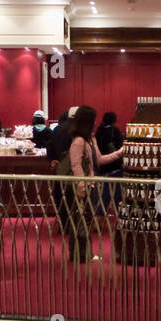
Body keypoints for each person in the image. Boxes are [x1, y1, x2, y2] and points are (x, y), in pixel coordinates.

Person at [58, 105, 123, 261]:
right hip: (83, 186)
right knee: (81, 220)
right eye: (93, 119)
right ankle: (80, 253)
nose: (95, 122)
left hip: (90, 184)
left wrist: (119, 153)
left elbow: (99, 160)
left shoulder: (89, 140)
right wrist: (81, 184)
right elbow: (76, 165)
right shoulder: (79, 141)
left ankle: (82, 253)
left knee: (85, 220)